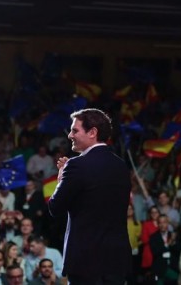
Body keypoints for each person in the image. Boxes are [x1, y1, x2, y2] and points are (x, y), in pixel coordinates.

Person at [48, 108, 131, 284]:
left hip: (85, 263)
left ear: (92, 132)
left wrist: (61, 179)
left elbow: (55, 207)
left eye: (75, 130)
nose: (70, 135)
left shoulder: (77, 165)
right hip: (116, 261)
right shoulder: (121, 166)